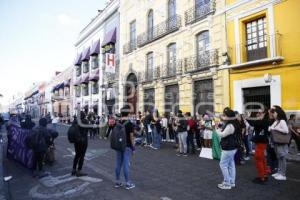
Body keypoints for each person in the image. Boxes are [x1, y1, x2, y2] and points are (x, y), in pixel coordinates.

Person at [216, 107, 240, 190]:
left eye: (224, 115)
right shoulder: (233, 123)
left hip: (228, 147)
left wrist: (217, 129)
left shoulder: (230, 125)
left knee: (223, 164)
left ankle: (227, 183)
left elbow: (223, 134)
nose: (223, 116)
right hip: (232, 147)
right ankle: (231, 182)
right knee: (230, 165)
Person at [114, 106, 136, 190]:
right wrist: (133, 148)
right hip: (127, 146)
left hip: (119, 146)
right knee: (126, 164)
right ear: (128, 113)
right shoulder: (129, 124)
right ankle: (128, 183)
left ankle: (117, 181)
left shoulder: (118, 123)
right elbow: (132, 137)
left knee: (118, 163)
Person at [247, 108, 270, 184]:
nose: (258, 114)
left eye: (260, 113)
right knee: (262, 159)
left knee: (258, 159)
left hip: (261, 142)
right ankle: (264, 174)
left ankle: (262, 177)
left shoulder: (264, 121)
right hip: (260, 141)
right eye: (258, 112)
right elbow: (254, 123)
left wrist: (248, 116)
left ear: (264, 113)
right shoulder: (262, 121)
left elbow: (253, 123)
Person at [269, 105, 289, 181]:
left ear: (278, 113)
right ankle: (279, 172)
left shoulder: (282, 121)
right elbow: (270, 128)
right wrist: (273, 128)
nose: (273, 114)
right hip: (276, 141)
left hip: (281, 142)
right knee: (279, 157)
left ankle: (283, 175)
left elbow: (286, 131)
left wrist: (275, 128)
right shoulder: (277, 121)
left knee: (282, 158)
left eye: (274, 113)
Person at [71, 112, 89, 177]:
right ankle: (79, 170)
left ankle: (73, 169)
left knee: (77, 155)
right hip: (83, 141)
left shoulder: (75, 121)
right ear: (84, 116)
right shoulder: (85, 121)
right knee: (82, 156)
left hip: (76, 141)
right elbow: (88, 129)